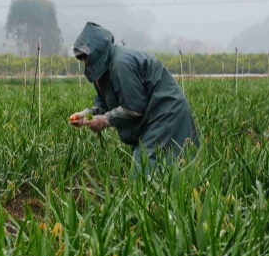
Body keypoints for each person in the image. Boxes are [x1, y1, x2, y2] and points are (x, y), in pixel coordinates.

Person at [67, 22, 201, 169]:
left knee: (145, 171)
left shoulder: (121, 64)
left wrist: (104, 120)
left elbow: (134, 108)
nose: (84, 62)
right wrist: (86, 115)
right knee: (156, 168)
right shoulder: (100, 70)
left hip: (165, 112)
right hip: (151, 117)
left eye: (85, 57)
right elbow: (103, 104)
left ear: (97, 52)